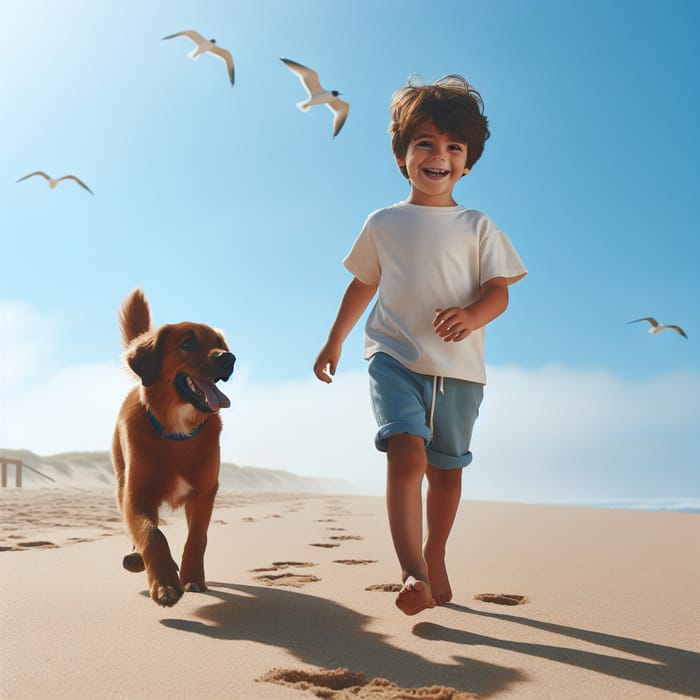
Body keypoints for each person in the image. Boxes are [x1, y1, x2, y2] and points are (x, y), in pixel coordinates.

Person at [313, 74, 527, 616]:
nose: (440, 155)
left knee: (447, 473)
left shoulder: (478, 225)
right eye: (425, 143)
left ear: (468, 162)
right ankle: (411, 569)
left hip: (459, 370)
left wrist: (472, 315)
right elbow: (363, 282)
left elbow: (498, 293)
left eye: (454, 147)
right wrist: (334, 340)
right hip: (394, 356)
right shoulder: (383, 222)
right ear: (402, 156)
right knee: (405, 452)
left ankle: (435, 550)